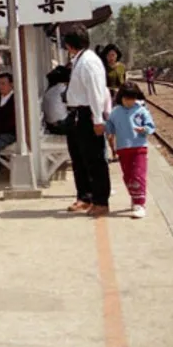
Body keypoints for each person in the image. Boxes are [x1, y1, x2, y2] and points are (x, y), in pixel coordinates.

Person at [63, 24, 113, 216]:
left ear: (69, 45)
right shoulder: (79, 60)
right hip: (76, 113)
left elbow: (95, 91)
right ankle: (85, 196)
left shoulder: (89, 61)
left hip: (88, 113)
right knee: (78, 158)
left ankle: (101, 201)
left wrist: (98, 119)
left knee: (95, 160)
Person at [105, 83, 156, 219]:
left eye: (132, 98)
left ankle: (140, 203)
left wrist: (144, 129)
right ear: (121, 97)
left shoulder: (141, 110)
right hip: (123, 148)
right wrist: (109, 132)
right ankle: (134, 196)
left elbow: (150, 126)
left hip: (139, 147)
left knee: (138, 174)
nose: (129, 102)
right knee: (128, 176)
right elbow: (110, 124)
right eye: (126, 99)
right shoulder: (115, 111)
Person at [42, 65, 71, 135]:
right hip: (61, 126)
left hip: (50, 125)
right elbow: (73, 105)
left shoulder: (49, 90)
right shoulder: (63, 89)